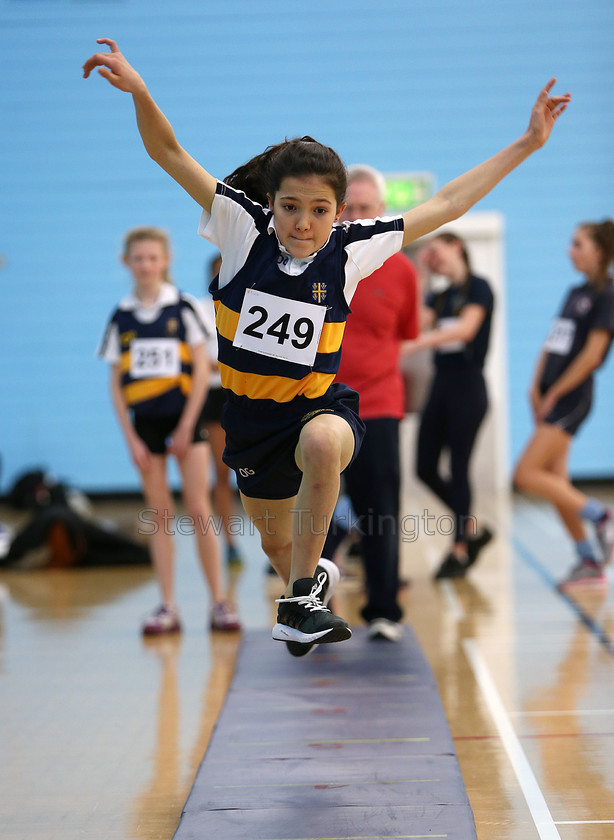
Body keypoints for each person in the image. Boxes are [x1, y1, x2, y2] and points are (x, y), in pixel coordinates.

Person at [83, 37, 569, 653]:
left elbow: (446, 204)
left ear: (339, 211)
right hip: (248, 420)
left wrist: (527, 143)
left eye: (319, 210)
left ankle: (303, 597)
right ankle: (304, 582)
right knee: (277, 544)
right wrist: (142, 92)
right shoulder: (240, 227)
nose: (304, 223)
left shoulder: (351, 249)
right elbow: (170, 151)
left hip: (319, 407)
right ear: (271, 204)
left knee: (320, 441)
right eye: (290, 207)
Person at [98, 226, 241, 634]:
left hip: (185, 424)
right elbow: (115, 384)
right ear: (127, 263)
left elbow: (200, 370)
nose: (145, 265)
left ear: (166, 261)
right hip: (145, 428)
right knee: (159, 515)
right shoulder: (121, 316)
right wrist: (130, 439)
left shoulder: (182, 309)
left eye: (152, 258)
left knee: (198, 509)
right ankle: (167, 605)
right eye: (138, 258)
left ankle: (219, 602)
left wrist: (185, 425)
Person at [321, 164, 419, 643]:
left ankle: (383, 610)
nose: (356, 218)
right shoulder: (317, 263)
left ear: (381, 213)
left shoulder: (401, 270)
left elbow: (404, 335)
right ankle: (311, 607)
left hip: (378, 405)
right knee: (314, 512)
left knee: (379, 511)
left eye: (366, 209)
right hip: (318, 405)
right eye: (349, 210)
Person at [514, 220, 614, 590]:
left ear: (599, 252)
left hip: (572, 398)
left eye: (578, 244)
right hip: (551, 396)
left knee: (525, 475)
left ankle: (601, 516)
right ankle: (588, 559)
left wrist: (554, 394)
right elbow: (551, 344)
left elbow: (592, 356)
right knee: (556, 482)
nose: (571, 251)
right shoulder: (575, 292)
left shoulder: (607, 295)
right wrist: (533, 388)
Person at [405, 232, 495, 579]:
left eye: (436, 251)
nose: (432, 257)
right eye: (427, 254)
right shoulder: (440, 297)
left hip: (468, 386)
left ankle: (459, 546)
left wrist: (418, 344)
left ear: (456, 246)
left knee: (459, 467)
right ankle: (471, 527)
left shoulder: (479, 288)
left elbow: (467, 330)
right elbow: (413, 324)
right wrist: (422, 277)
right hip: (441, 386)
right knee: (424, 467)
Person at [200, 253, 244, 568]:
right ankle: (229, 540)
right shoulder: (200, 311)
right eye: (219, 273)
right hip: (216, 395)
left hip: (247, 392)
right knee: (221, 471)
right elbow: (199, 360)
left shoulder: (252, 307)